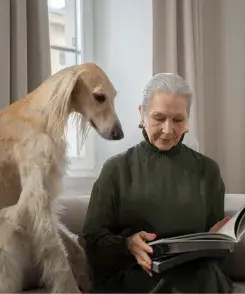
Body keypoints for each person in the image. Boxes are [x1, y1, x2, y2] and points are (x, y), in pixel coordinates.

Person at [81, 73, 233, 293]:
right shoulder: (116, 170)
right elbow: (91, 242)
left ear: (188, 119)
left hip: (196, 274)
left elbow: (217, 253)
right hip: (135, 273)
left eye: (178, 119)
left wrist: (219, 240)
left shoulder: (207, 171)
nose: (168, 130)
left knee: (207, 274)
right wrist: (128, 244)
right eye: (159, 118)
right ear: (142, 115)